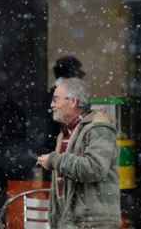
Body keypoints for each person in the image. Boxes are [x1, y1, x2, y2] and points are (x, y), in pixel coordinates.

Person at [37, 77, 121, 229]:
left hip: (93, 224)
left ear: (74, 101)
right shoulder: (64, 134)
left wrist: (55, 160)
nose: (52, 105)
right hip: (72, 224)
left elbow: (94, 169)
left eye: (56, 99)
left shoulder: (99, 128)